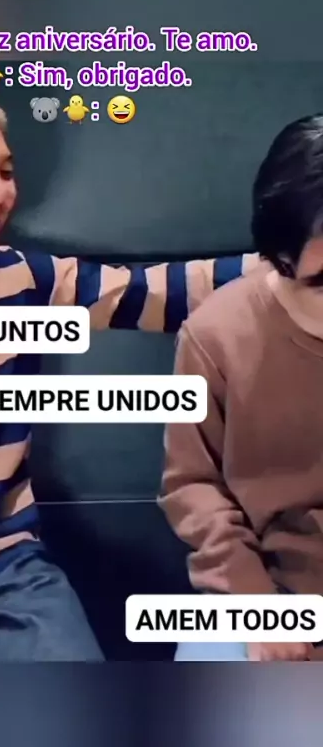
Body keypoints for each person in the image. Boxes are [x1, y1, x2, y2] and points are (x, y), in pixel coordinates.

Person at [0, 83, 260, 662]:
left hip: (2, 580)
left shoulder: (16, 281)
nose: (0, 190)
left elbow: (160, 293)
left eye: (7, 171)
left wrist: (298, 256)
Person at [160, 114, 323, 663]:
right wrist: (257, 606)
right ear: (280, 260)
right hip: (266, 585)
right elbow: (193, 488)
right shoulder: (216, 335)